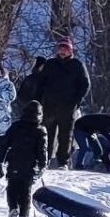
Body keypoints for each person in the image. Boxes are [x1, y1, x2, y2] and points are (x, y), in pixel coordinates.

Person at [36, 38, 90, 168]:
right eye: (60, 49)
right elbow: (40, 83)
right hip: (49, 105)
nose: (62, 52)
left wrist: (77, 101)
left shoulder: (77, 65)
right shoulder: (50, 64)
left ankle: (63, 162)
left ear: (70, 51)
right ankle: (45, 159)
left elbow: (85, 84)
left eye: (65, 50)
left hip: (68, 106)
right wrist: (39, 101)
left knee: (65, 136)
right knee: (47, 134)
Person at [0, 99, 48, 217]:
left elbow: (4, 143)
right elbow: (42, 150)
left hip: (14, 161)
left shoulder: (16, 126)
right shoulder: (41, 130)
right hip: (30, 165)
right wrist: (42, 165)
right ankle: (24, 216)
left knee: (12, 187)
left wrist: (0, 160)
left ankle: (13, 208)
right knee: (25, 191)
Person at [13, 56, 46, 122]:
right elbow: (21, 95)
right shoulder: (30, 78)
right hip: (29, 110)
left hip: (40, 111)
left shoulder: (45, 79)